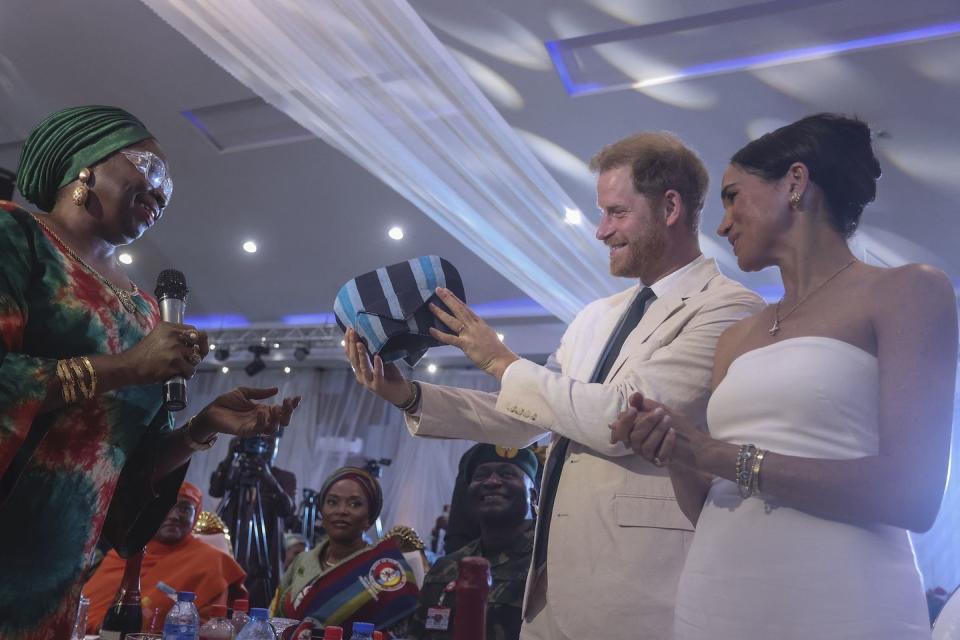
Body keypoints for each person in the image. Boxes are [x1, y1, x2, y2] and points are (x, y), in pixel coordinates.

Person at [345, 131, 764, 639]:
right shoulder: (596, 316)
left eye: (616, 212)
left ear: (670, 206)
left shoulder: (728, 307)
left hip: (641, 593)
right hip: (548, 594)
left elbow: (620, 418)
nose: (600, 230)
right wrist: (409, 395)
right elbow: (527, 418)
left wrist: (501, 361)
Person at [611, 113, 957, 638]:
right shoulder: (737, 335)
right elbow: (710, 501)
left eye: (732, 196)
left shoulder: (908, 292)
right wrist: (680, 454)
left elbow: (912, 494)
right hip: (715, 596)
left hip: (841, 600)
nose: (722, 224)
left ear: (795, 183)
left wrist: (714, 453)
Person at [0, 105, 301, 639]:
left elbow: (130, 464)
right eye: (150, 169)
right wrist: (127, 367)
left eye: (169, 188)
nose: (162, 194)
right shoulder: (16, 237)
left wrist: (199, 429)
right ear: (85, 164)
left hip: (62, 569)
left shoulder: (143, 309)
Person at [272, 467, 427, 634]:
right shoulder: (302, 561)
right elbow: (276, 619)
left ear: (369, 518)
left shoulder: (382, 567)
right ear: (322, 512)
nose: (341, 511)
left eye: (355, 504)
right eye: (332, 502)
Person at [410, 445, 539, 640]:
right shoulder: (444, 569)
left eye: (507, 474)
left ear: (534, 496)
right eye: (481, 476)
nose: (492, 481)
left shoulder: (546, 566)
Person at [84, 482, 248, 630]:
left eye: (184, 508)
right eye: (166, 507)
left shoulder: (212, 562)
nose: (174, 516)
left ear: (196, 515)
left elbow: (209, 626)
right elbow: (82, 610)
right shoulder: (122, 555)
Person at [209, 433, 298, 606]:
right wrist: (229, 457)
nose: (261, 447)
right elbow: (215, 490)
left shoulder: (283, 477)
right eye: (256, 440)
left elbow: (288, 510)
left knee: (262, 599)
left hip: (265, 551)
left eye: (268, 441)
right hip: (232, 542)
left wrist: (268, 478)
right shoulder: (235, 472)